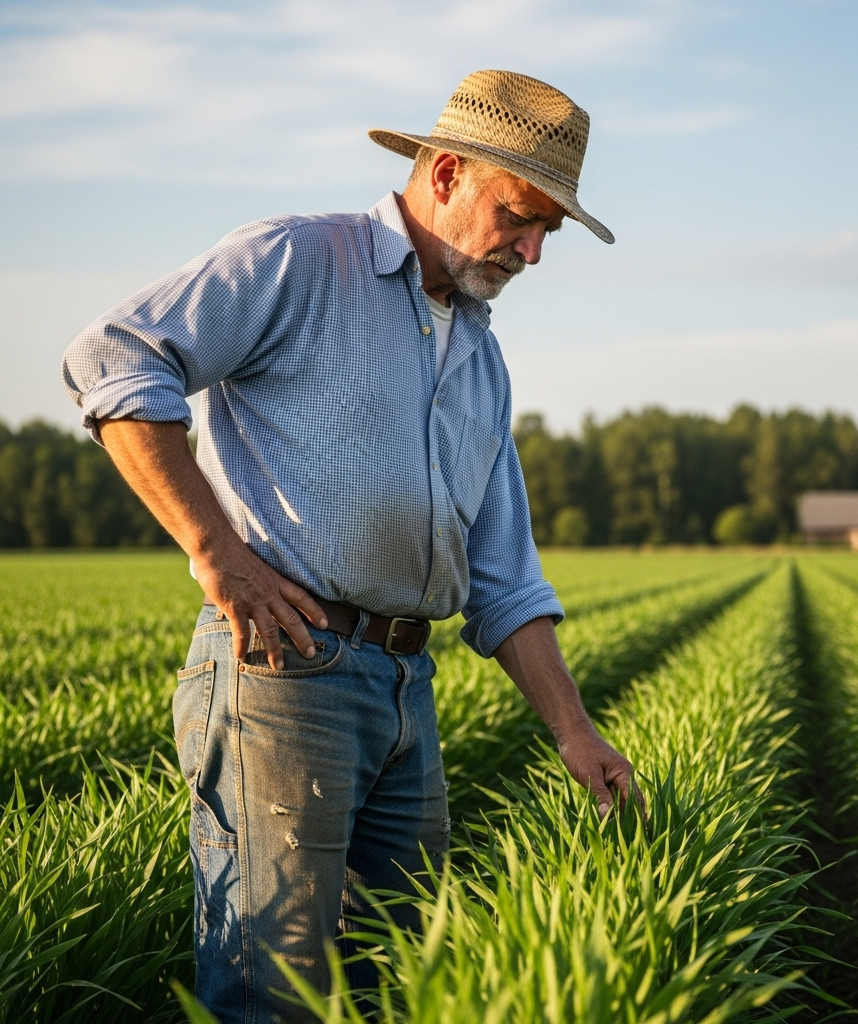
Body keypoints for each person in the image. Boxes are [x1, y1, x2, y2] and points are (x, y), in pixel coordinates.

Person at [62, 69, 641, 1022]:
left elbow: (503, 577)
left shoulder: (480, 355)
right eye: (522, 216)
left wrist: (575, 733)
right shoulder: (298, 261)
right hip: (286, 677)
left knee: (399, 987)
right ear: (447, 172)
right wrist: (217, 551)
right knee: (276, 996)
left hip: (408, 695)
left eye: (552, 233)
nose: (534, 251)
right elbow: (114, 357)